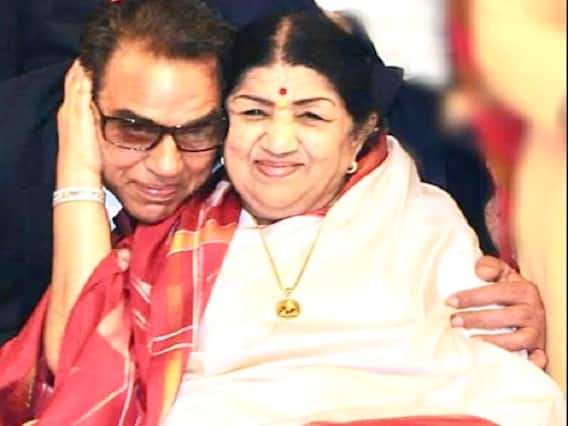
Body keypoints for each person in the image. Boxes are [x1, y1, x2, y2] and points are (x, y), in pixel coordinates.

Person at [1, 6, 563, 425]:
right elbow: (82, 372)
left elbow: (499, 372)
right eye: (254, 113)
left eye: (311, 116)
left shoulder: (419, 211)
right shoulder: (163, 239)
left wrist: (516, 312)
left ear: (360, 135)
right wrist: (77, 172)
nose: (277, 142)